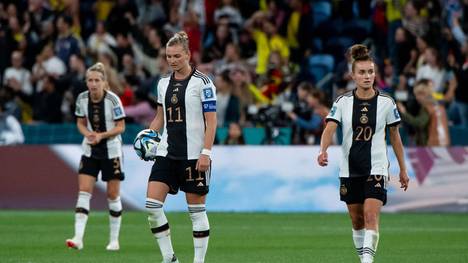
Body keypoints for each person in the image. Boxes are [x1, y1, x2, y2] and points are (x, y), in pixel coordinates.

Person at [317, 45, 410, 263]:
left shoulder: (387, 103)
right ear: (353, 75)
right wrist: (323, 150)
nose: (367, 76)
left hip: (376, 167)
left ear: (375, 74)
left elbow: (395, 137)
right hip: (349, 168)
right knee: (356, 219)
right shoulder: (342, 102)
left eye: (370, 72)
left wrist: (403, 169)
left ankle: (367, 262)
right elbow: (329, 128)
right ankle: (363, 259)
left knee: (370, 215)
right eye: (362, 72)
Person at [146, 31, 217, 263]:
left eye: (177, 56)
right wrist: (148, 135)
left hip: (194, 156)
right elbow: (160, 118)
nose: (172, 60)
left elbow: (212, 121)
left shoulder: (203, 83)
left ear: (188, 54)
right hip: (166, 153)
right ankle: (169, 259)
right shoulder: (163, 83)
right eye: (169, 56)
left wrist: (206, 152)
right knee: (152, 207)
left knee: (196, 214)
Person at [66, 62, 126, 251]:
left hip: (112, 150)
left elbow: (121, 127)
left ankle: (114, 240)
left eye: (97, 80)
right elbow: (80, 122)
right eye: (90, 80)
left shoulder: (113, 100)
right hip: (90, 150)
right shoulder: (82, 99)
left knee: (112, 194)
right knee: (84, 192)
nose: (93, 84)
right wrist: (88, 134)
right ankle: (78, 238)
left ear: (104, 82)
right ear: (86, 82)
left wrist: (101, 135)